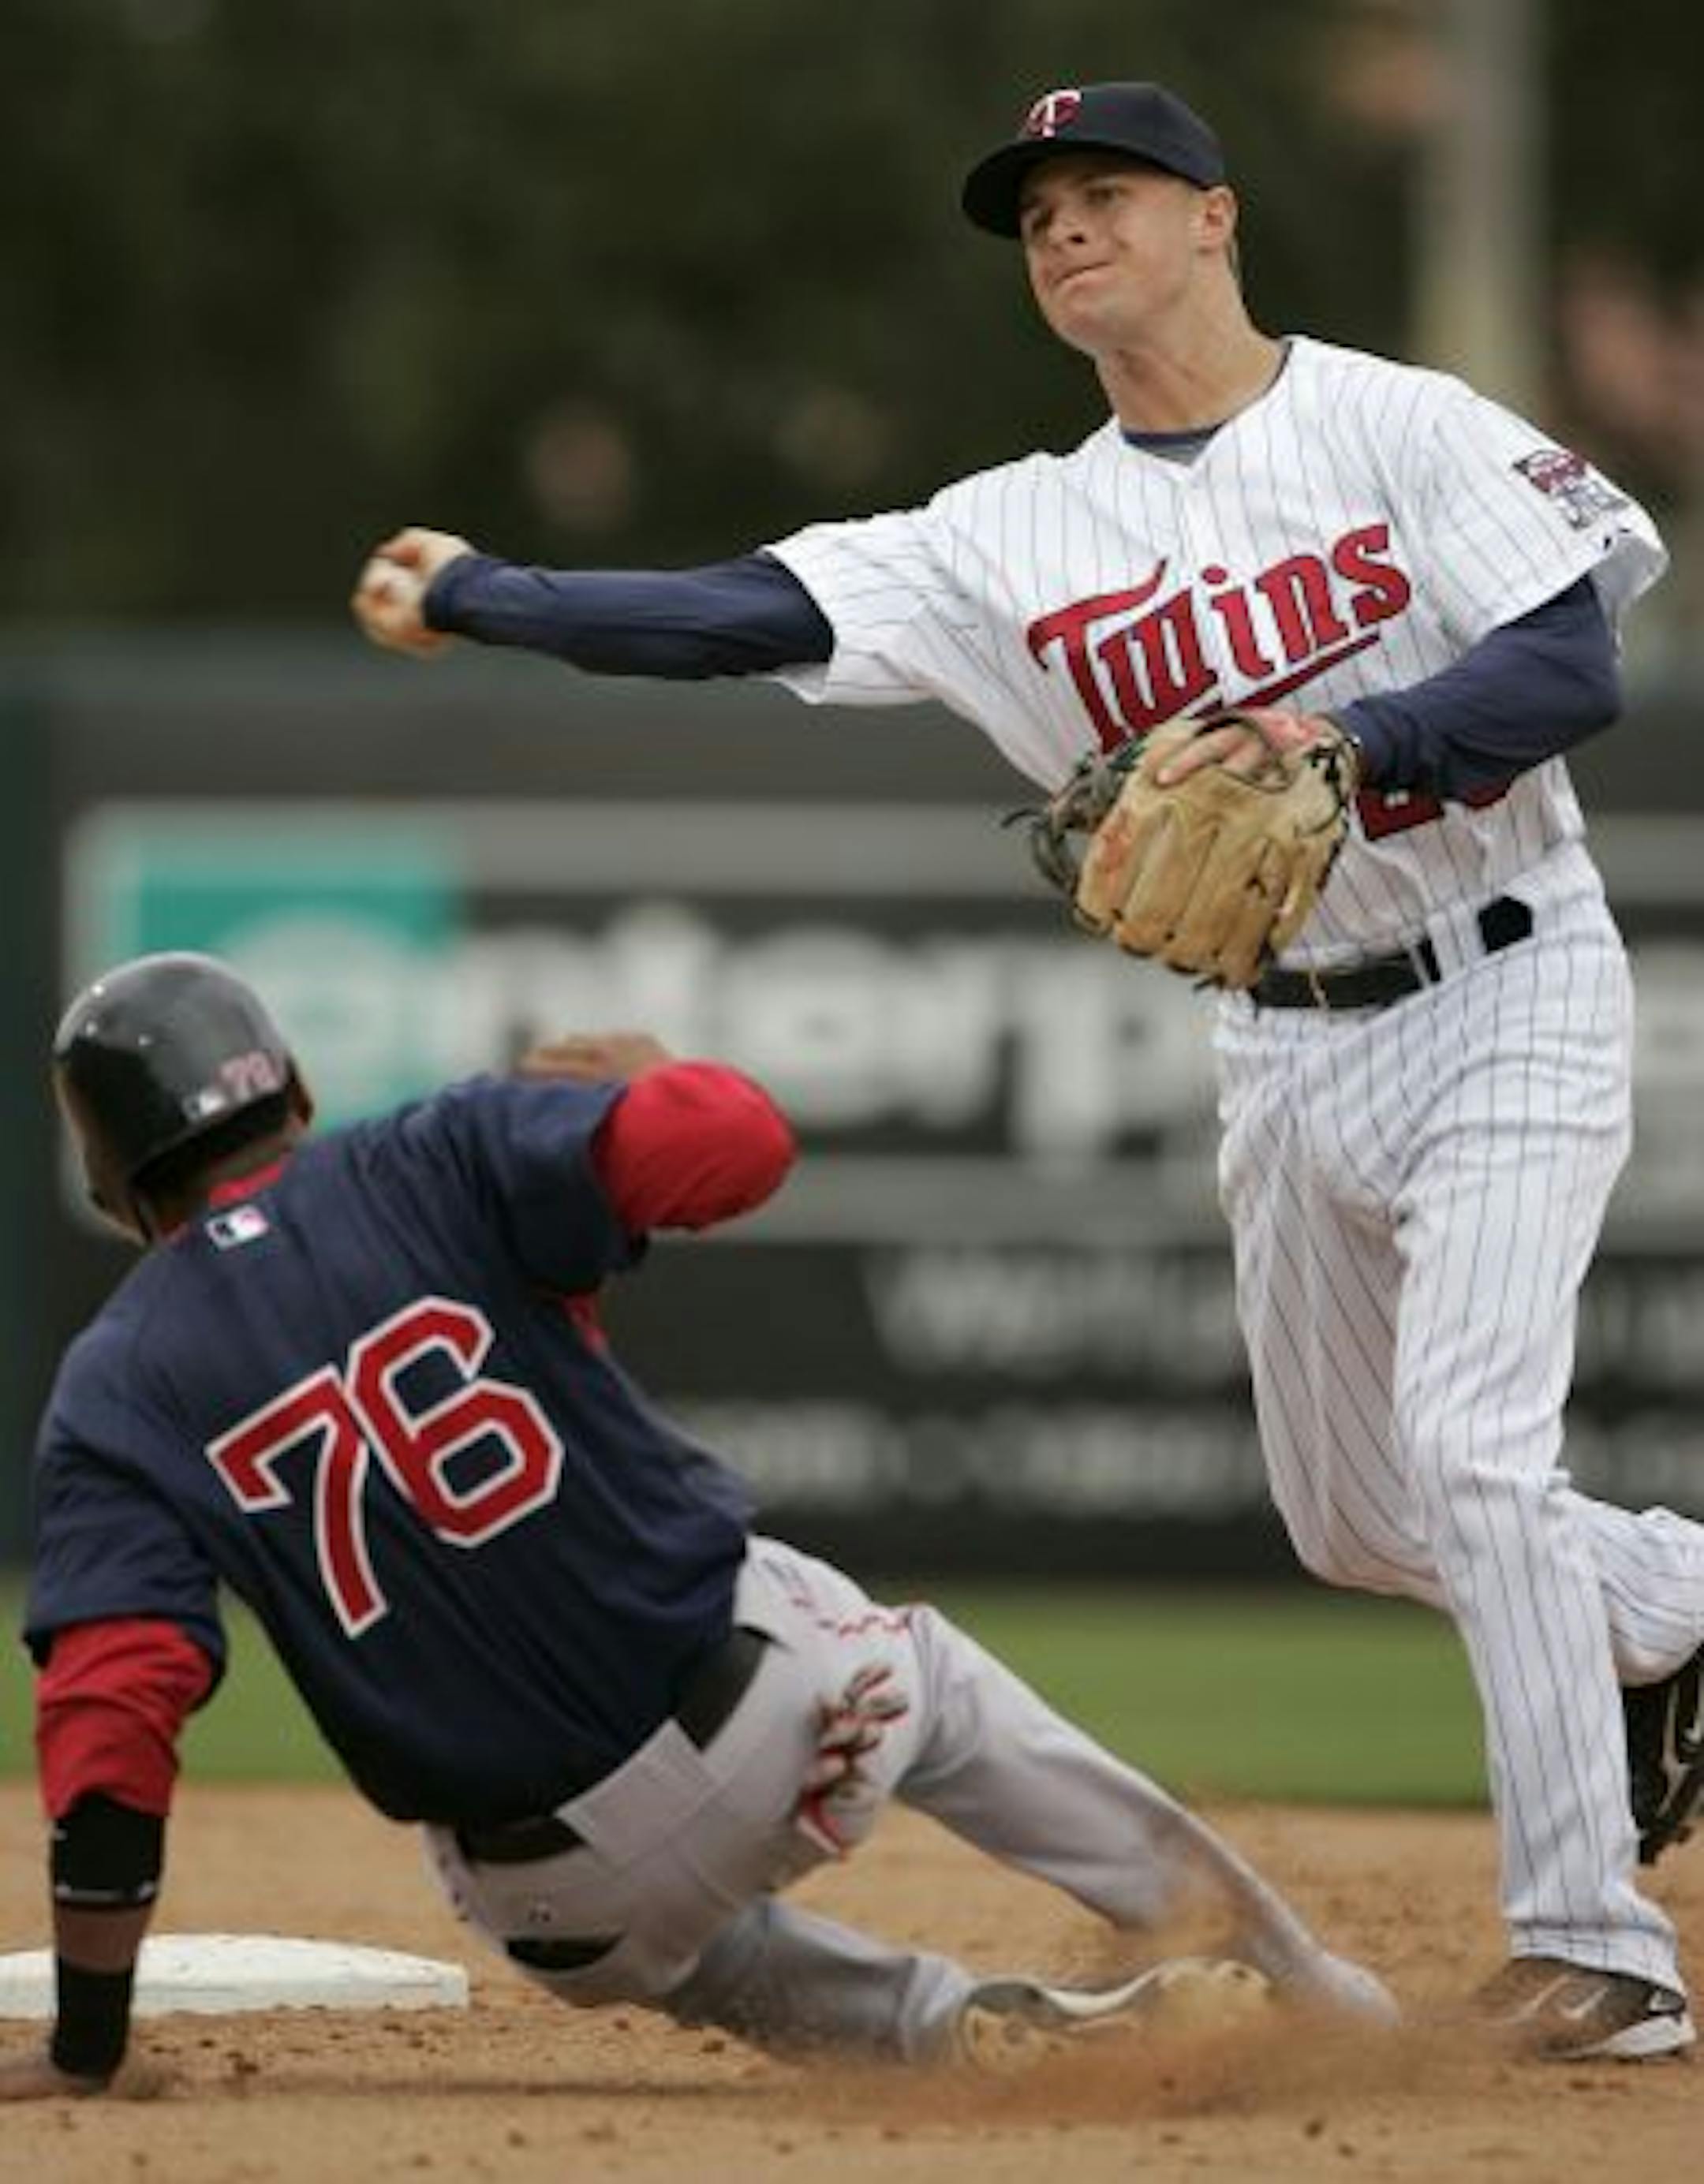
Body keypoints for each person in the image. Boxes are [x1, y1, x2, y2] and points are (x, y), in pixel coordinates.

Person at [350, 79, 1704, 2062]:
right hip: (1282, 1032)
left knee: (1476, 1452)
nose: (1067, 230)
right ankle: (1672, 1602)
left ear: (1216, 220)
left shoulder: (1402, 421)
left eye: (1109, 194)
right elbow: (747, 613)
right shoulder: (1012, 531)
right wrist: (493, 595)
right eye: (1040, 212)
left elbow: (1569, 659)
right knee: (1357, 1513)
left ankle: (1600, 1950)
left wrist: (1358, 749)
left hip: (1510, 979)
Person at [1, 950, 1391, 2101]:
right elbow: (737, 1145)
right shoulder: (430, 1152)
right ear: (290, 1084)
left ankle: (931, 2023)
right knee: (938, 1685)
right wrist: (645, 1097)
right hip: (797, 1718)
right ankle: (1307, 1990)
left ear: (118, 1186)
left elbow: (112, 1720)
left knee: (695, 1957)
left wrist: (90, 2045)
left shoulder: (113, 1387)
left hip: (572, 1900)